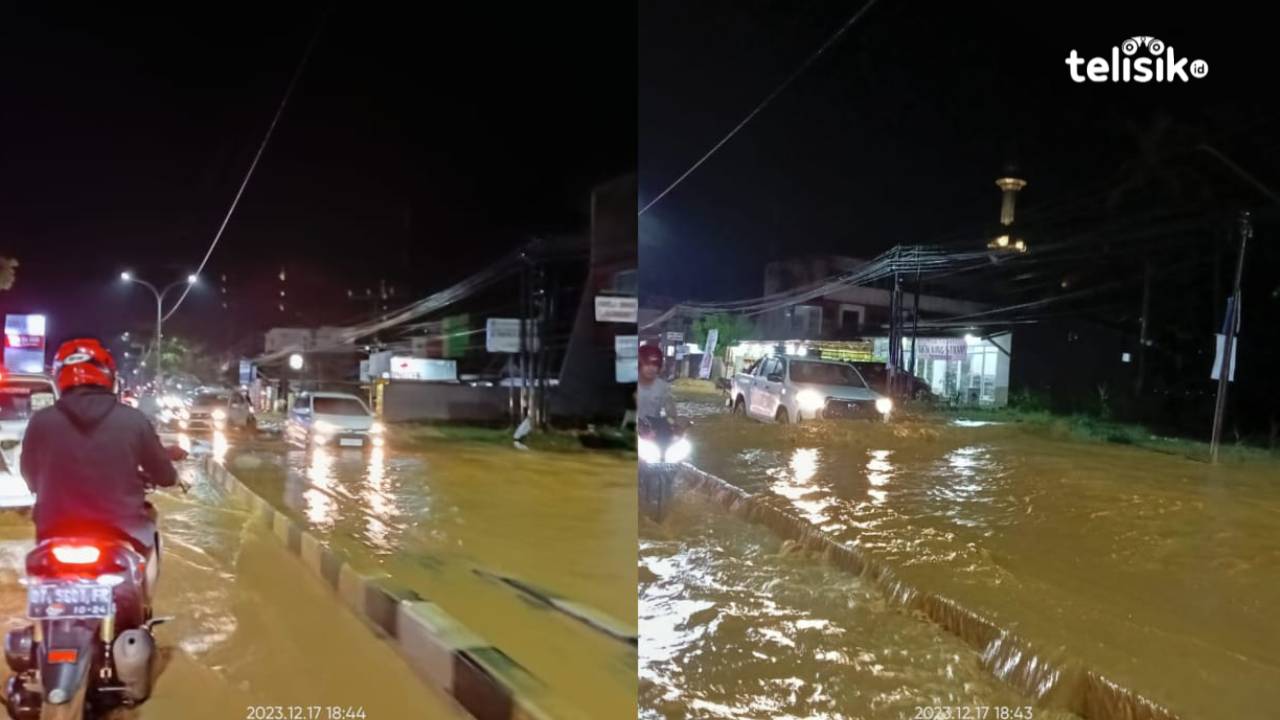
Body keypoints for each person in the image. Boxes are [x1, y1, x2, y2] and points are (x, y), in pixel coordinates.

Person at [20, 338, 183, 598]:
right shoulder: (133, 419)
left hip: (54, 527)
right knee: (151, 536)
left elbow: (29, 474)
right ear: (109, 377)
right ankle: (144, 606)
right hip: (124, 527)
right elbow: (163, 474)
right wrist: (170, 477)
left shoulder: (41, 421)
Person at [636, 343, 677, 421]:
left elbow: (671, 414)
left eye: (655, 364)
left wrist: (672, 423)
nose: (651, 368)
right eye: (647, 363)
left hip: (654, 426)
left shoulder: (663, 387)